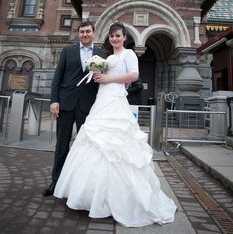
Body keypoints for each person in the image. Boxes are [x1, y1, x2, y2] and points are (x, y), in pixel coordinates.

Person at [53, 22, 177, 227]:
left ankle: (116, 198)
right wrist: (97, 77)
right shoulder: (107, 57)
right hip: (101, 100)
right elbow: (99, 79)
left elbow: (134, 76)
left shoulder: (129, 54)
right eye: (112, 36)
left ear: (124, 37)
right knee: (93, 141)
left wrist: (109, 78)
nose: (115, 39)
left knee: (115, 145)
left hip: (115, 100)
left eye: (118, 36)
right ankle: (89, 193)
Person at [42, 21, 102, 197]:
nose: (85, 34)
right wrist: (54, 100)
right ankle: (56, 182)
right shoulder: (68, 51)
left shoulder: (101, 53)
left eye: (88, 31)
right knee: (62, 144)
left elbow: (101, 81)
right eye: (82, 31)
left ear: (93, 33)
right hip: (66, 104)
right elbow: (57, 77)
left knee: (86, 146)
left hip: (88, 106)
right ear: (79, 33)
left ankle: (80, 184)